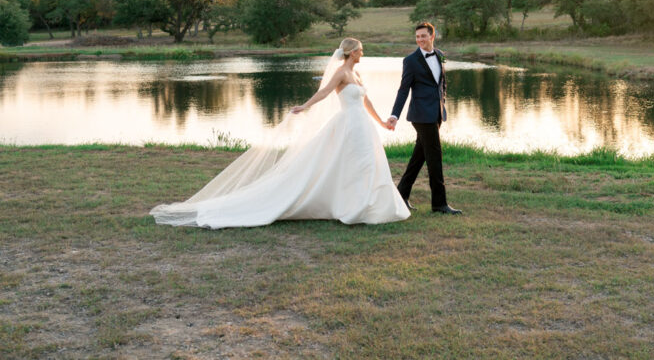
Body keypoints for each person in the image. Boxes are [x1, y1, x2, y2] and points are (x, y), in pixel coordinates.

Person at [150, 38, 410, 228]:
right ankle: (355, 206)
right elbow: (324, 92)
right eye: (360, 50)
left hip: (362, 125)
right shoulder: (341, 73)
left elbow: (366, 102)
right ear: (352, 52)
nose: (362, 53)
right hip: (348, 125)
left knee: (367, 163)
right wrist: (306, 106)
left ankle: (366, 204)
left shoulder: (356, 72)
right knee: (353, 163)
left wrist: (382, 122)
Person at [386, 22, 462, 214]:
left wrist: (442, 100)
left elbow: (442, 82)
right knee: (435, 156)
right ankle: (439, 204)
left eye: (423, 36)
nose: (420, 40)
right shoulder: (410, 61)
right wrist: (395, 114)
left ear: (432, 36)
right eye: (417, 36)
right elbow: (403, 90)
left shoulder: (440, 54)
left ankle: (401, 194)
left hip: (436, 113)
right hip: (421, 115)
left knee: (419, 157)